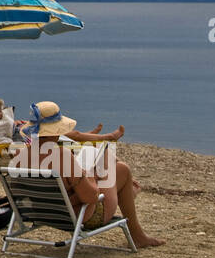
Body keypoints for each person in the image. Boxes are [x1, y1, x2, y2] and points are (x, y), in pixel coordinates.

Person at [9, 101, 163, 248]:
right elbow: (90, 197)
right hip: (79, 217)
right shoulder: (62, 156)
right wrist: (91, 177)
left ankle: (128, 191)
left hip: (41, 214)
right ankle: (138, 233)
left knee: (106, 164)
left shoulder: (20, 156)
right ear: (56, 130)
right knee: (122, 169)